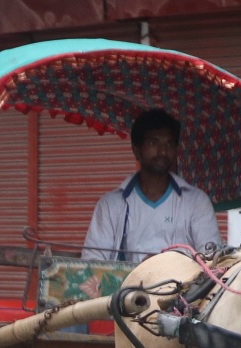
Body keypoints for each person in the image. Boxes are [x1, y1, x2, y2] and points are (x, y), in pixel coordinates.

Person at [82, 109, 221, 262]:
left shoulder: (196, 202)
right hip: (126, 285)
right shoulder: (111, 205)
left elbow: (211, 260)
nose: (162, 151)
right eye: (154, 143)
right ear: (137, 150)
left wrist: (161, 265)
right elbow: (92, 264)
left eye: (169, 143)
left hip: (184, 285)